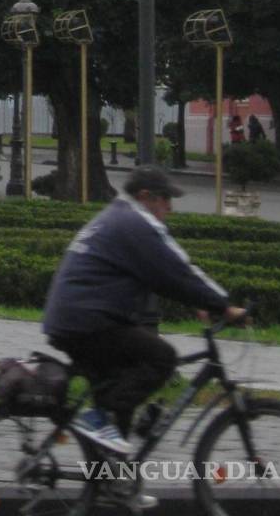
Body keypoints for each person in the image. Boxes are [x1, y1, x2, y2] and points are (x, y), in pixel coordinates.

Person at [43, 166, 247, 477]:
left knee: (122, 387)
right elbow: (178, 270)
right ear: (146, 196)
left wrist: (201, 302)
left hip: (77, 318)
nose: (170, 207)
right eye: (166, 199)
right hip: (89, 321)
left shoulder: (119, 216)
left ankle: (112, 482)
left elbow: (160, 274)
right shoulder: (135, 222)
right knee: (161, 357)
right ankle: (97, 418)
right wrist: (225, 306)